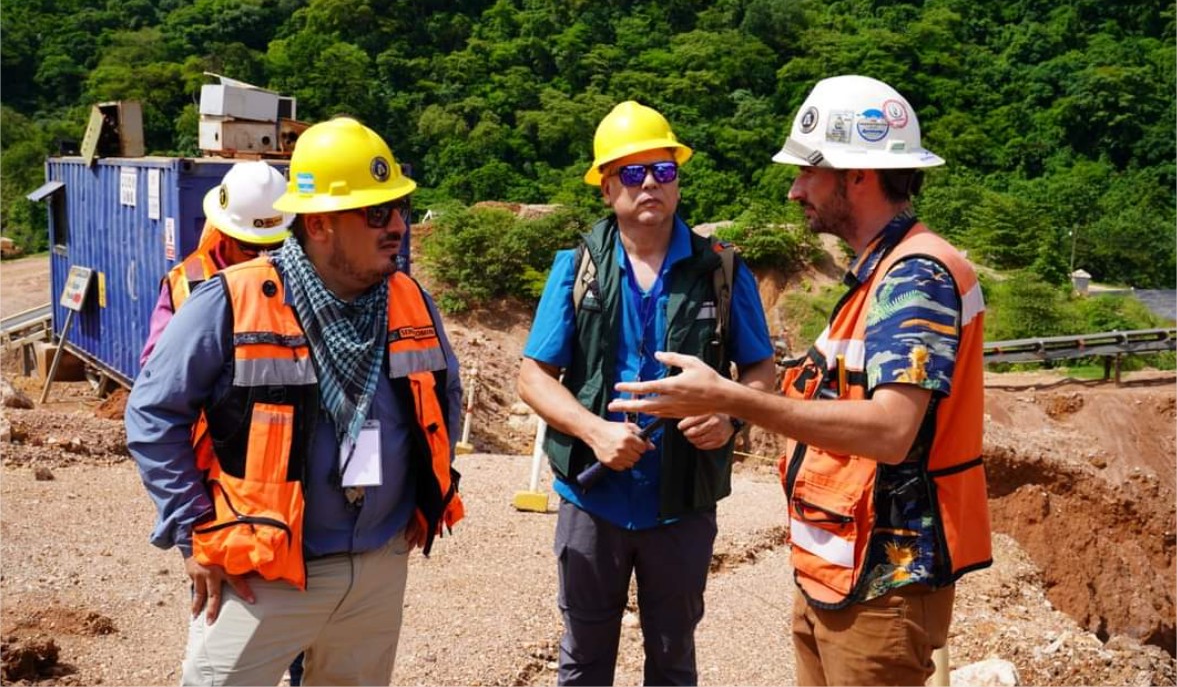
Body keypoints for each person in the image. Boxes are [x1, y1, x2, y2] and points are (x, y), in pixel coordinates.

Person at [610, 76, 992, 686]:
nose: (793, 191)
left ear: (857, 174)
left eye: (807, 173)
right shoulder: (877, 277)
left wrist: (731, 398)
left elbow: (893, 430)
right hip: (841, 571)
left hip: (882, 582)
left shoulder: (916, 275)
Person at [126, 117, 465, 686]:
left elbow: (444, 396)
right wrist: (193, 532)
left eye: (400, 210)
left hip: (378, 564)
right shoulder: (233, 301)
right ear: (320, 224)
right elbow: (153, 414)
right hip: (264, 570)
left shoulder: (409, 300)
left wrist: (422, 492)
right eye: (377, 214)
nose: (398, 228)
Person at [517, 100, 777, 686]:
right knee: (583, 657)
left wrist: (732, 419)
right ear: (607, 187)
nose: (650, 184)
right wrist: (594, 431)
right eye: (632, 173)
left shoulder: (722, 269)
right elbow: (533, 375)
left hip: (681, 502)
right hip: (593, 497)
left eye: (664, 170)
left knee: (672, 656)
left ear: (679, 181)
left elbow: (761, 373)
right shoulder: (576, 266)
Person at [138, 160, 293, 366]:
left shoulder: (304, 277)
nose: (264, 259)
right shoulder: (185, 286)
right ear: (225, 234)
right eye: (251, 249)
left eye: (276, 246)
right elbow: (155, 371)